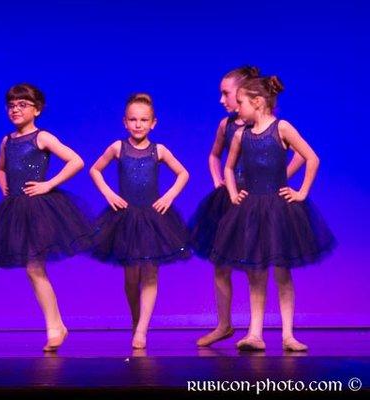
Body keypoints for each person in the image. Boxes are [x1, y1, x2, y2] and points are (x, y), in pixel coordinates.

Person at [211, 76, 335, 351]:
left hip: (278, 210)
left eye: (241, 102)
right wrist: (232, 193)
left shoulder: (282, 128)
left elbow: (311, 158)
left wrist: (301, 192)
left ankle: (288, 334)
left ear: (257, 103)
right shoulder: (242, 134)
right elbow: (229, 167)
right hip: (252, 210)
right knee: (255, 272)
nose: (238, 108)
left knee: (282, 272)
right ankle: (255, 333)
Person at [0, 83, 91, 352]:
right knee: (33, 270)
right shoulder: (7, 141)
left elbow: (76, 161)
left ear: (37, 109)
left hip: (38, 210)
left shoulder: (42, 137)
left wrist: (48, 184)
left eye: (22, 105)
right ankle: (57, 326)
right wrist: (5, 189)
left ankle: (55, 327)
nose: (15, 110)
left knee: (34, 268)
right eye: (11, 105)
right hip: (16, 209)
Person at [90, 93, 190, 349]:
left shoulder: (159, 150)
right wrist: (109, 193)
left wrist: (168, 196)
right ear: (125, 122)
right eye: (133, 120)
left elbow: (183, 173)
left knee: (150, 274)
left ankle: (142, 329)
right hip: (125, 219)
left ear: (153, 123)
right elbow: (95, 170)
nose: (138, 124)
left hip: (153, 219)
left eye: (143, 120)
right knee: (130, 277)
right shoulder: (117, 148)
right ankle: (137, 321)